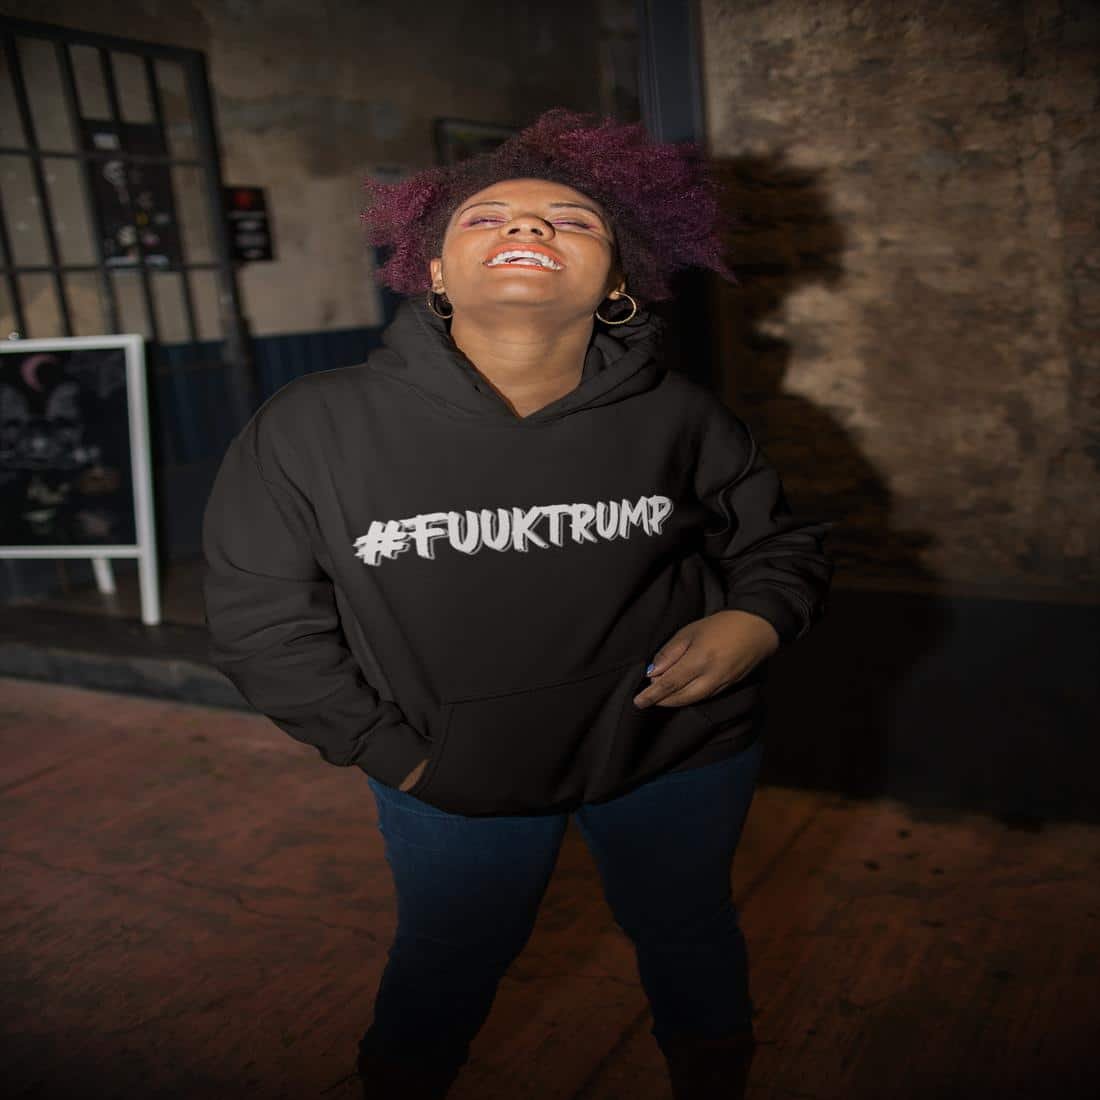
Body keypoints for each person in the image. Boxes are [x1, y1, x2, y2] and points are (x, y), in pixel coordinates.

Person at [202, 108, 833, 1099]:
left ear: (618, 280)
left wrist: (752, 622)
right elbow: (259, 623)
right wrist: (399, 755)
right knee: (448, 960)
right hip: (450, 774)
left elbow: (779, 544)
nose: (529, 227)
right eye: (486, 217)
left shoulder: (681, 415)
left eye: (573, 221)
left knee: (688, 930)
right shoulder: (310, 426)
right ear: (434, 271)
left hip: (679, 751)